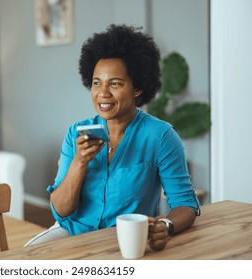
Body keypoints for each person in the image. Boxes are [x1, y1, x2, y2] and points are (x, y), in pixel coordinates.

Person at [25, 24, 200, 250]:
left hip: (126, 239)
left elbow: (186, 205)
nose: (102, 93)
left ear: (137, 88)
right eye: (97, 82)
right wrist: (80, 162)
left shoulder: (160, 136)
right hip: (73, 233)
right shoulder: (76, 133)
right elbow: (60, 210)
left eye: (115, 83)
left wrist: (165, 226)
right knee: (23, 260)